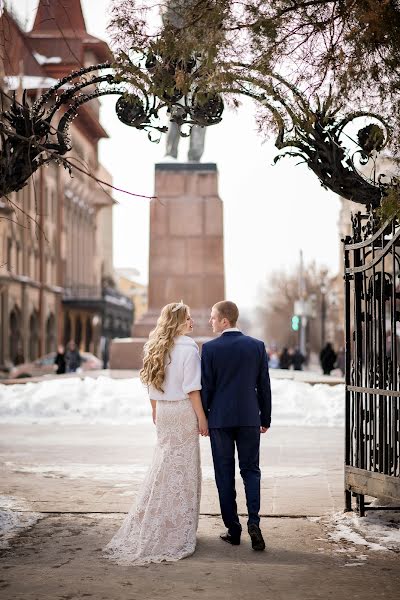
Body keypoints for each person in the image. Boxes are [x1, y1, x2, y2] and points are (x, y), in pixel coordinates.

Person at [104, 301, 208, 566]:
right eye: (188, 318)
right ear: (178, 322)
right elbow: (193, 389)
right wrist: (202, 418)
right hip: (183, 411)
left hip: (163, 411)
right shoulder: (189, 349)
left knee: (163, 465)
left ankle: (158, 519)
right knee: (183, 468)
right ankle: (178, 526)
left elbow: (151, 385)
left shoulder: (155, 346)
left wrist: (155, 410)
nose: (192, 322)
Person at [201, 301, 271, 551]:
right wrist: (265, 418)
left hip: (220, 419)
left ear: (224, 321)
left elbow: (206, 388)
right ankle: (254, 521)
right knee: (251, 470)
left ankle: (233, 528)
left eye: (212, 317)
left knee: (224, 473)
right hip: (249, 418)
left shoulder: (209, 349)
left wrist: (204, 418)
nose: (210, 321)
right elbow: (264, 386)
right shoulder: (256, 346)